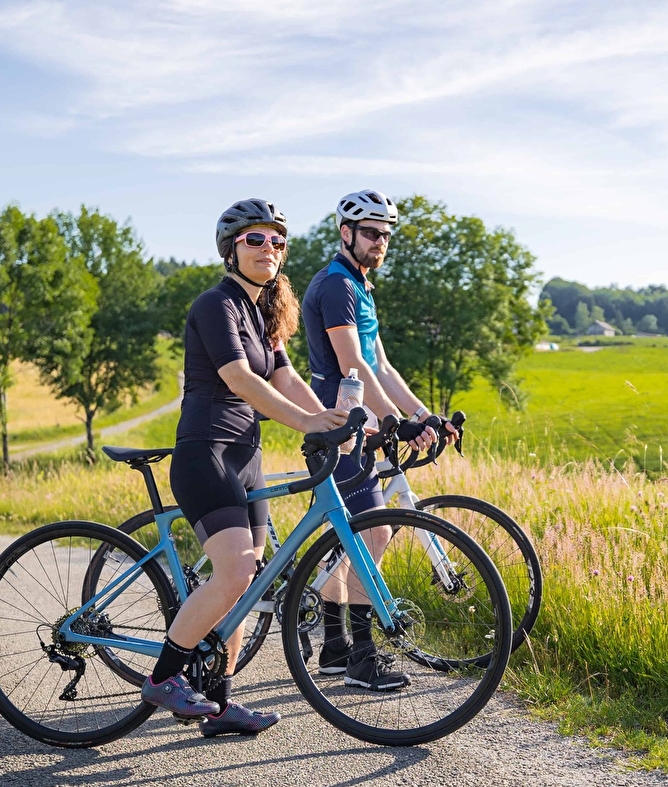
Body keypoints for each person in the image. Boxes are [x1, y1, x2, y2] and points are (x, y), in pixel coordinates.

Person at [141, 198, 349, 737]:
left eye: (277, 240)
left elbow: (284, 379)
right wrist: (308, 423)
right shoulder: (217, 305)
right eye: (255, 239)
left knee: (249, 583)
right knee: (234, 571)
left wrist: (339, 420)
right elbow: (240, 380)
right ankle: (165, 676)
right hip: (207, 452)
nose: (269, 248)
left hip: (246, 457)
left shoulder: (262, 315)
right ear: (231, 248)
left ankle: (220, 700)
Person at [300, 189, 455, 691]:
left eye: (386, 235)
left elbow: (383, 366)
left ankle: (334, 648)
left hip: (361, 423)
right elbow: (354, 366)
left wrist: (421, 414)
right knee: (372, 534)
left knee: (357, 536)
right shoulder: (336, 286)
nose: (380, 242)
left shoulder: (360, 287)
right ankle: (361, 659)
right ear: (346, 233)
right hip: (342, 422)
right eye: (371, 233)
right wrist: (395, 422)